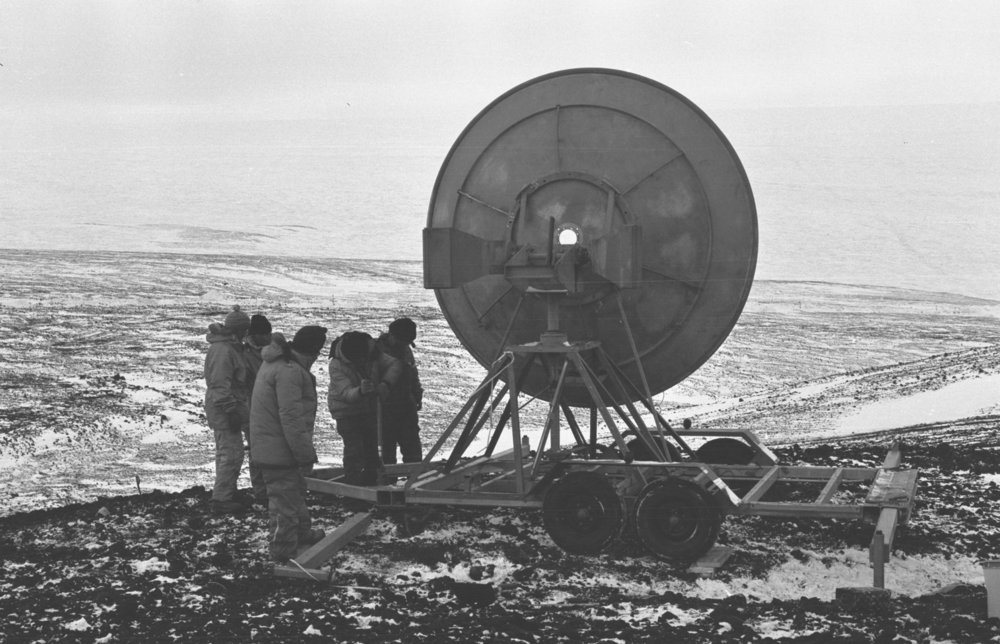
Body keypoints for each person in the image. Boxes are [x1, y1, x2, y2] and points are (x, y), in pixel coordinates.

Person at [249, 325, 328, 564]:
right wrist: (305, 454)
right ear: (314, 351)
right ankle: (283, 550)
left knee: (293, 493)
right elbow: (292, 419)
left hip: (275, 445)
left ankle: (301, 533)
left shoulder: (279, 364)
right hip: (279, 450)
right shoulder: (289, 372)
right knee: (284, 501)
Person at [327, 331, 402, 486]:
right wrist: (360, 391)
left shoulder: (373, 353)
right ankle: (352, 485)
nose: (363, 362)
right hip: (346, 412)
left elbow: (394, 364)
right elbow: (346, 394)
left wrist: (385, 384)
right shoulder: (336, 364)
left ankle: (371, 482)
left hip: (369, 409)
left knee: (372, 449)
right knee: (354, 450)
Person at [204, 305, 253, 515]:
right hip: (224, 408)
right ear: (239, 329)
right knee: (231, 454)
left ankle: (226, 493)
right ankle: (222, 498)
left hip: (227, 406)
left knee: (228, 453)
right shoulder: (224, 350)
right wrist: (231, 410)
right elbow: (219, 384)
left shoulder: (228, 347)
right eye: (244, 329)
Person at [376, 317, 424, 464]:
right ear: (392, 335)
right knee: (386, 453)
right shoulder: (376, 351)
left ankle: (414, 475)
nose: (404, 345)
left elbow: (413, 373)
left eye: (407, 343)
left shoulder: (406, 349)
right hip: (385, 408)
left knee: (413, 450)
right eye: (402, 342)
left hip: (406, 404)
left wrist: (417, 394)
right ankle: (387, 477)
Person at [242, 313, 273, 506]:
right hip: (252, 408)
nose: (268, 337)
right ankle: (261, 491)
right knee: (256, 451)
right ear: (255, 335)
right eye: (264, 334)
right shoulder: (246, 355)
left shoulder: (271, 351)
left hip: (269, 407)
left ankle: (269, 488)